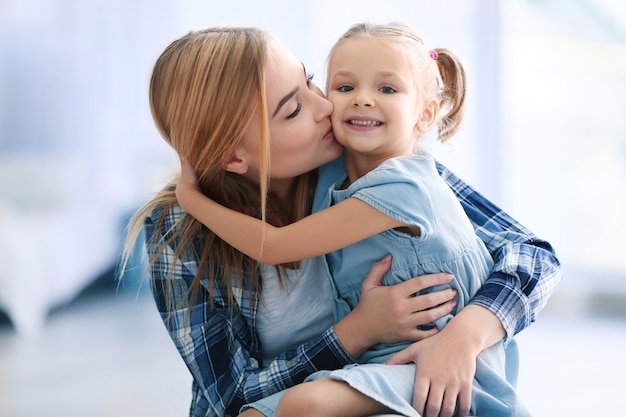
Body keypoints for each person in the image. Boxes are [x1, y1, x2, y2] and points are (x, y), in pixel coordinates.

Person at [122, 26, 561, 417]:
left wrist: (463, 336)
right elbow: (233, 397)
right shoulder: (178, 231)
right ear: (233, 157)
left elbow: (531, 256)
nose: (324, 107)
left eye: (310, 80)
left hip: (412, 380)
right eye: (292, 110)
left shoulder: (368, 165)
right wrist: (357, 331)